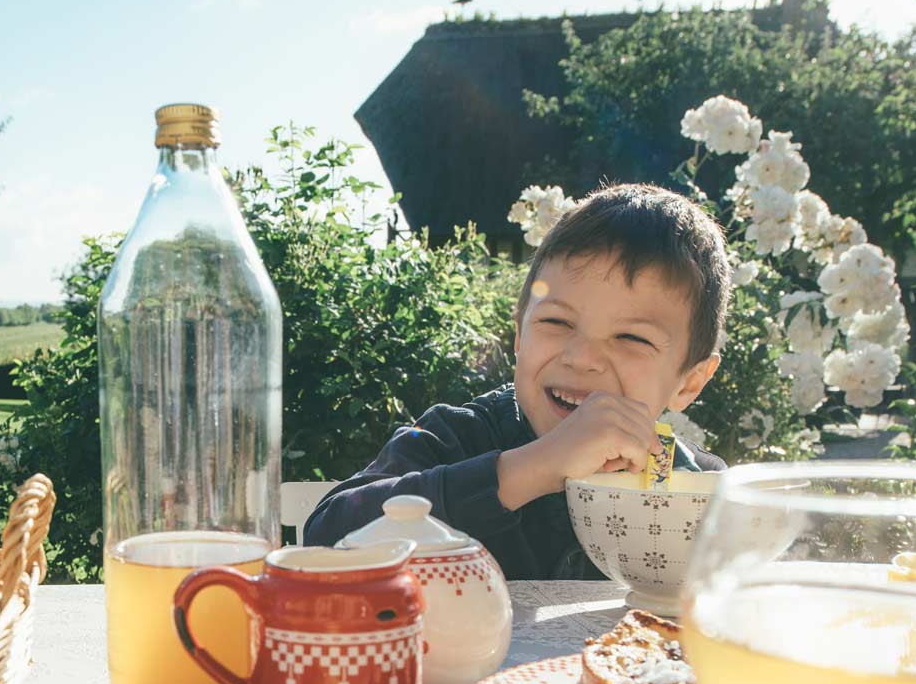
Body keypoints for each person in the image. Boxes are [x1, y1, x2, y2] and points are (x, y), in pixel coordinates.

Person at [303, 183, 730, 579]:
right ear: (520, 336)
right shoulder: (454, 437)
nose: (580, 357)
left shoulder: (698, 486)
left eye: (631, 337)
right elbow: (327, 538)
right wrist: (533, 468)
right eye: (557, 321)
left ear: (689, 383)